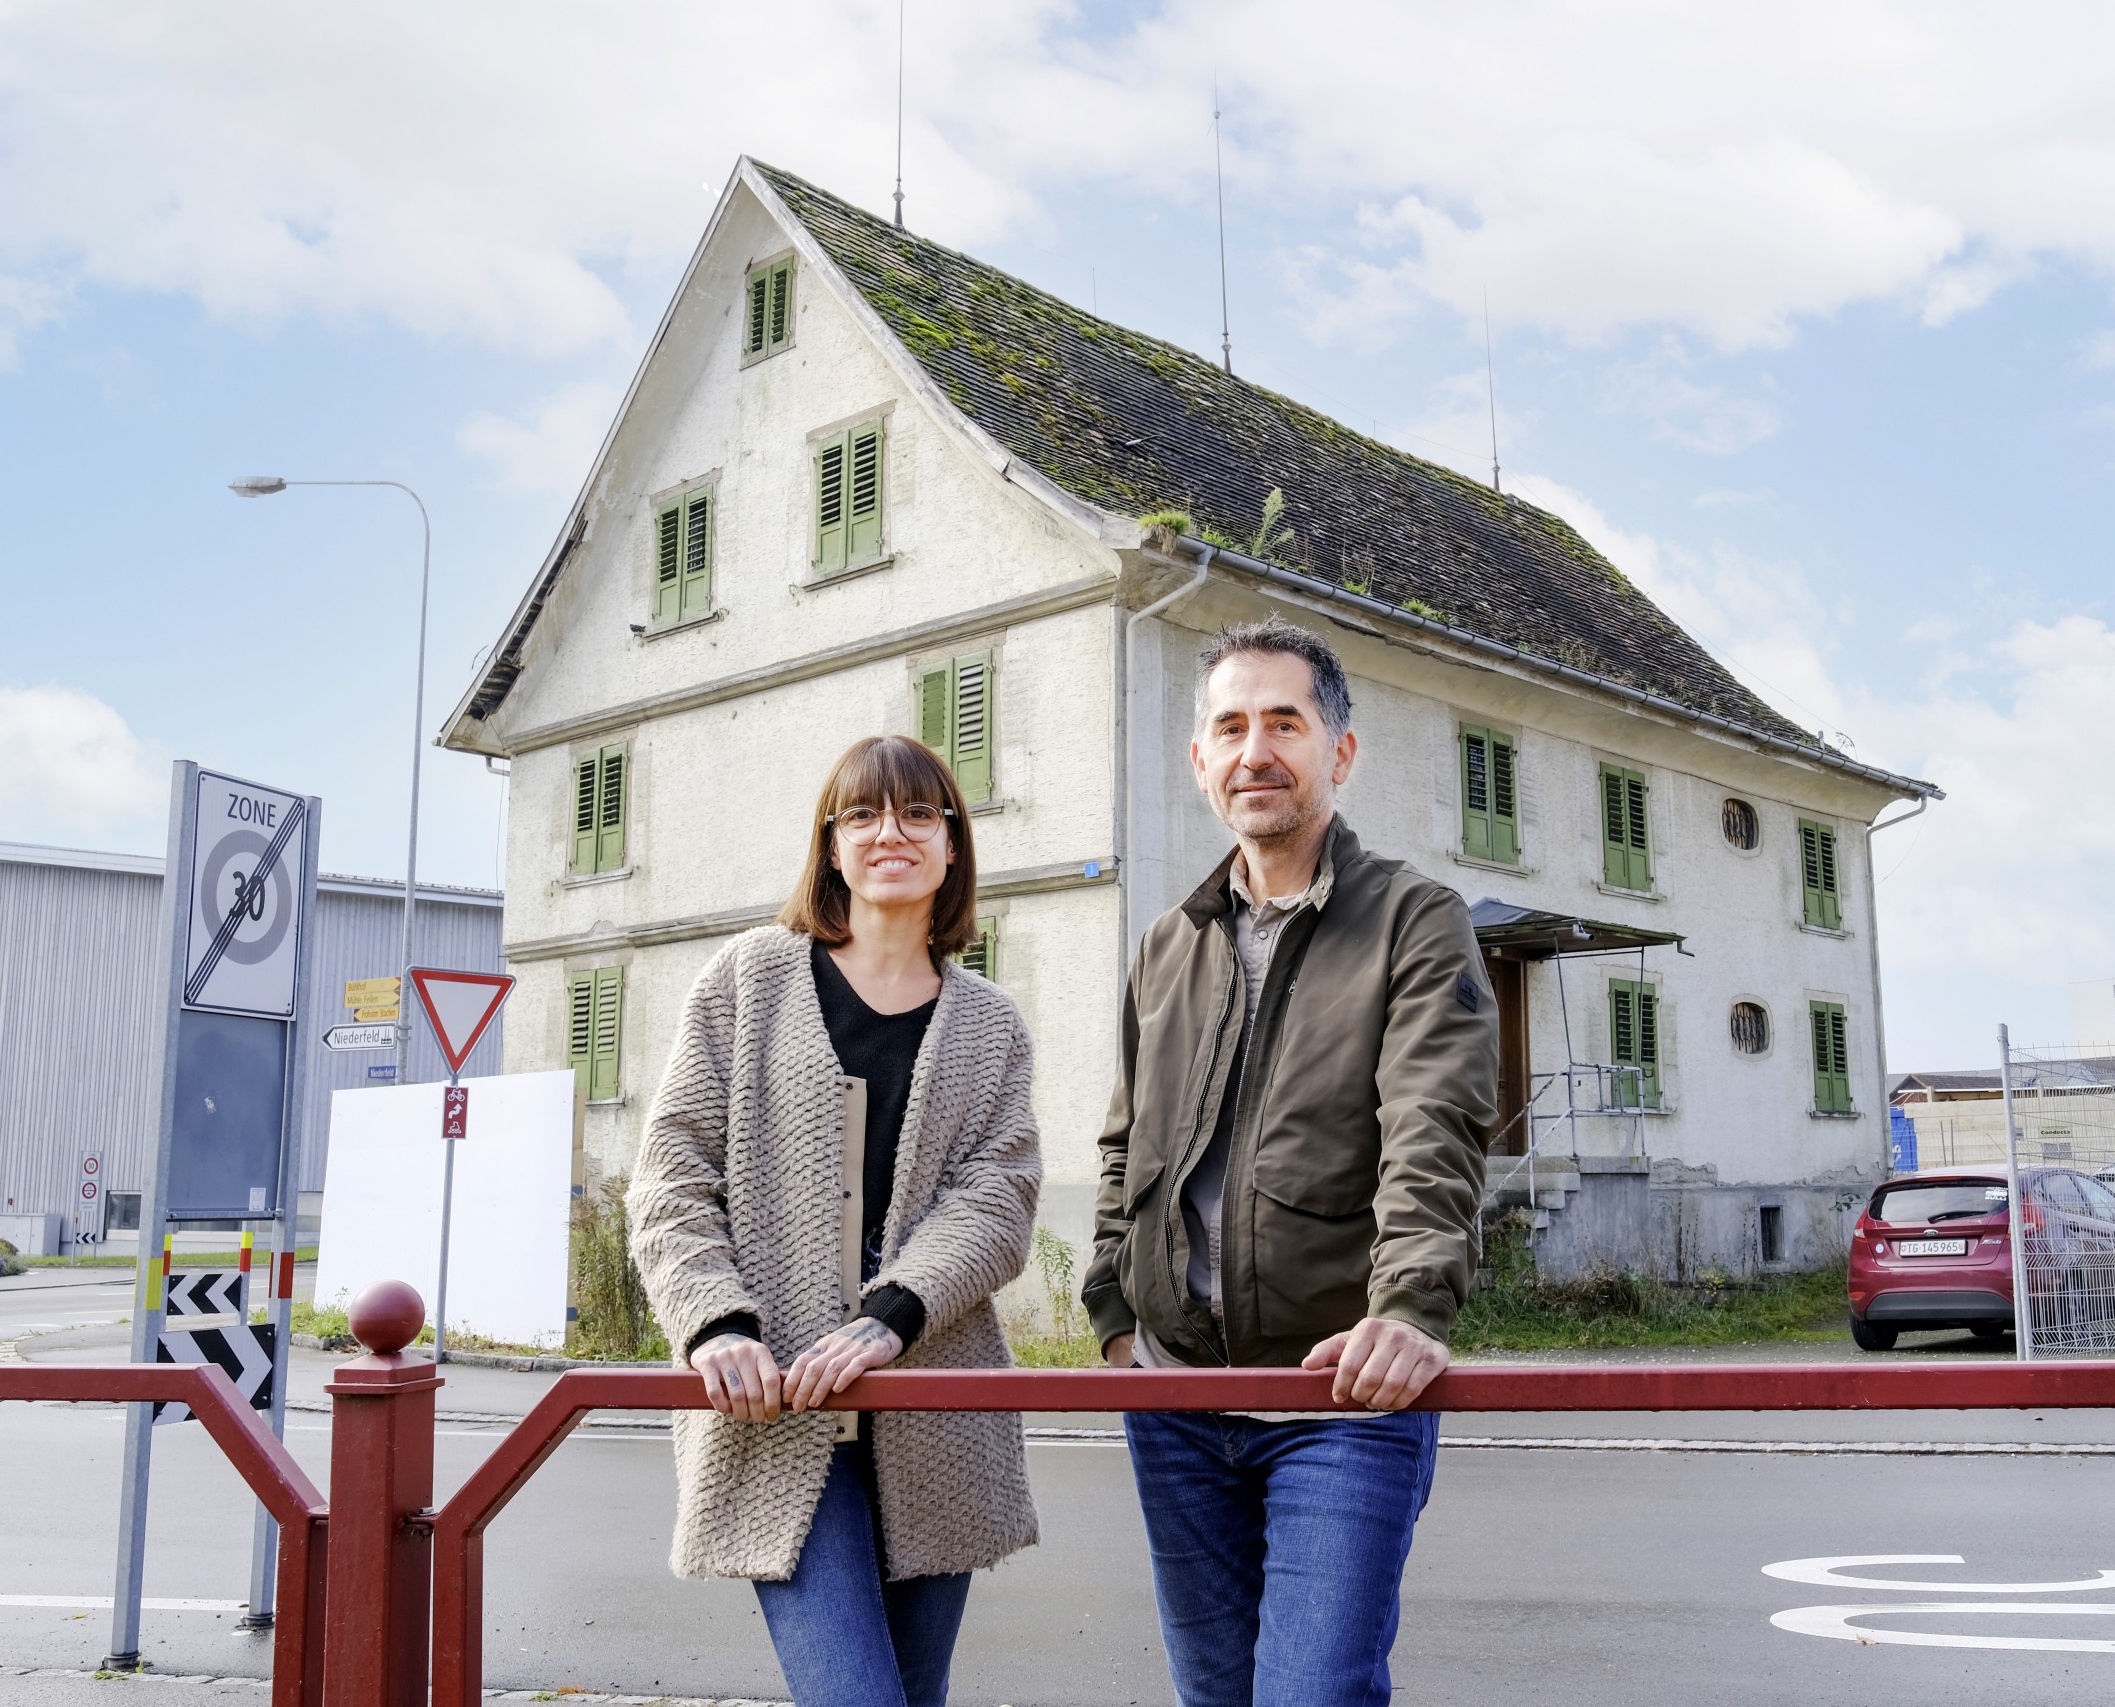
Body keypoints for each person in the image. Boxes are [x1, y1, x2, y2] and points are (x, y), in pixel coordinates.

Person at [1081, 616, 1496, 1707]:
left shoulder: (1415, 921)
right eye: (1229, 726)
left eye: (1283, 722)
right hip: (1173, 1398)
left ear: (1338, 753)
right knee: (1214, 1699)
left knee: (1313, 1695)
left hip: (1338, 1401)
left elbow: (1434, 1122)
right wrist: (1111, 1312)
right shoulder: (1169, 943)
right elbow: (1126, 1140)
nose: (1254, 750)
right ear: (1200, 761)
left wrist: (1409, 1307)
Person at [627, 734, 1042, 1707]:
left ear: (951, 848)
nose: (888, 832)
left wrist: (889, 1315)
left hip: (935, 1414)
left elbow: (1000, 1196)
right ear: (830, 846)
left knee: (912, 1694)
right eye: (861, 814)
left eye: (916, 814)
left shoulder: (990, 1022)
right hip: (778, 1407)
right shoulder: (751, 979)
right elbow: (670, 1174)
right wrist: (716, 1324)